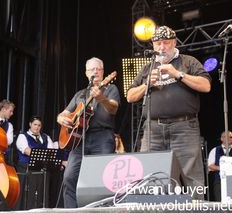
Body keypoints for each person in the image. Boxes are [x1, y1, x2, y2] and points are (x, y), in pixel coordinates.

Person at [127, 26, 211, 199]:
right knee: (150, 174)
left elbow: (206, 85)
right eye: (158, 43)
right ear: (153, 45)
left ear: (174, 42)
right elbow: (130, 96)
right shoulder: (148, 68)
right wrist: (147, 84)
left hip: (184, 126)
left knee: (191, 175)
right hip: (153, 129)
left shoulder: (188, 61)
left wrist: (178, 74)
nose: (162, 47)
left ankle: (198, 210)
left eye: (166, 43)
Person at [57, 57, 120, 208]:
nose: (95, 71)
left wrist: (102, 98)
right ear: (86, 73)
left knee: (103, 177)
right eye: (92, 69)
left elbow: (113, 109)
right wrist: (61, 119)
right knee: (69, 176)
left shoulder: (110, 88)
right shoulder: (80, 94)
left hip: (103, 137)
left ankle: (103, 210)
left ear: (104, 72)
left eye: (98, 69)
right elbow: (63, 114)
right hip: (80, 139)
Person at [208, 131, 232, 201]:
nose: (229, 138)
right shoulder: (215, 150)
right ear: (221, 138)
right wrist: (224, 168)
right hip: (219, 181)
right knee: (220, 202)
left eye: (230, 137)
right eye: (226, 137)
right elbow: (210, 166)